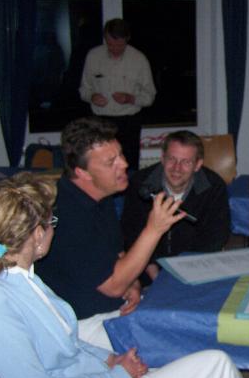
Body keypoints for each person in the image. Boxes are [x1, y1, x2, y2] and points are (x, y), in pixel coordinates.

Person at [0, 173, 249, 378]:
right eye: (52, 223)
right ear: (38, 235)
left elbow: (67, 344)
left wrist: (110, 358)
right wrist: (119, 376)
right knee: (217, 365)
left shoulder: (22, 279)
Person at [37, 117, 183, 338]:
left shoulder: (100, 195)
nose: (124, 164)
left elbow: (117, 253)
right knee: (179, 338)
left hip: (113, 308)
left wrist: (133, 283)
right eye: (110, 162)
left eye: (121, 154)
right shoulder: (66, 215)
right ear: (83, 173)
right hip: (79, 326)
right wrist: (154, 229)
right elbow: (114, 286)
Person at [121, 130, 230, 282]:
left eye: (186, 162)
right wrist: (154, 275)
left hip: (195, 268)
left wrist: (188, 275)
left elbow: (215, 237)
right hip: (147, 268)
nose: (177, 168)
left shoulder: (213, 187)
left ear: (198, 165)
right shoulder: (141, 183)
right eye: (172, 159)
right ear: (162, 158)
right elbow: (131, 232)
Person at [79, 18, 156, 170]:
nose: (114, 49)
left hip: (128, 122)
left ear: (127, 39)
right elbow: (84, 90)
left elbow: (150, 97)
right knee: (100, 167)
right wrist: (92, 97)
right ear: (105, 38)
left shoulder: (139, 59)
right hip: (100, 122)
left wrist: (130, 98)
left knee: (128, 168)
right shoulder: (93, 56)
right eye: (110, 44)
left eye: (119, 45)